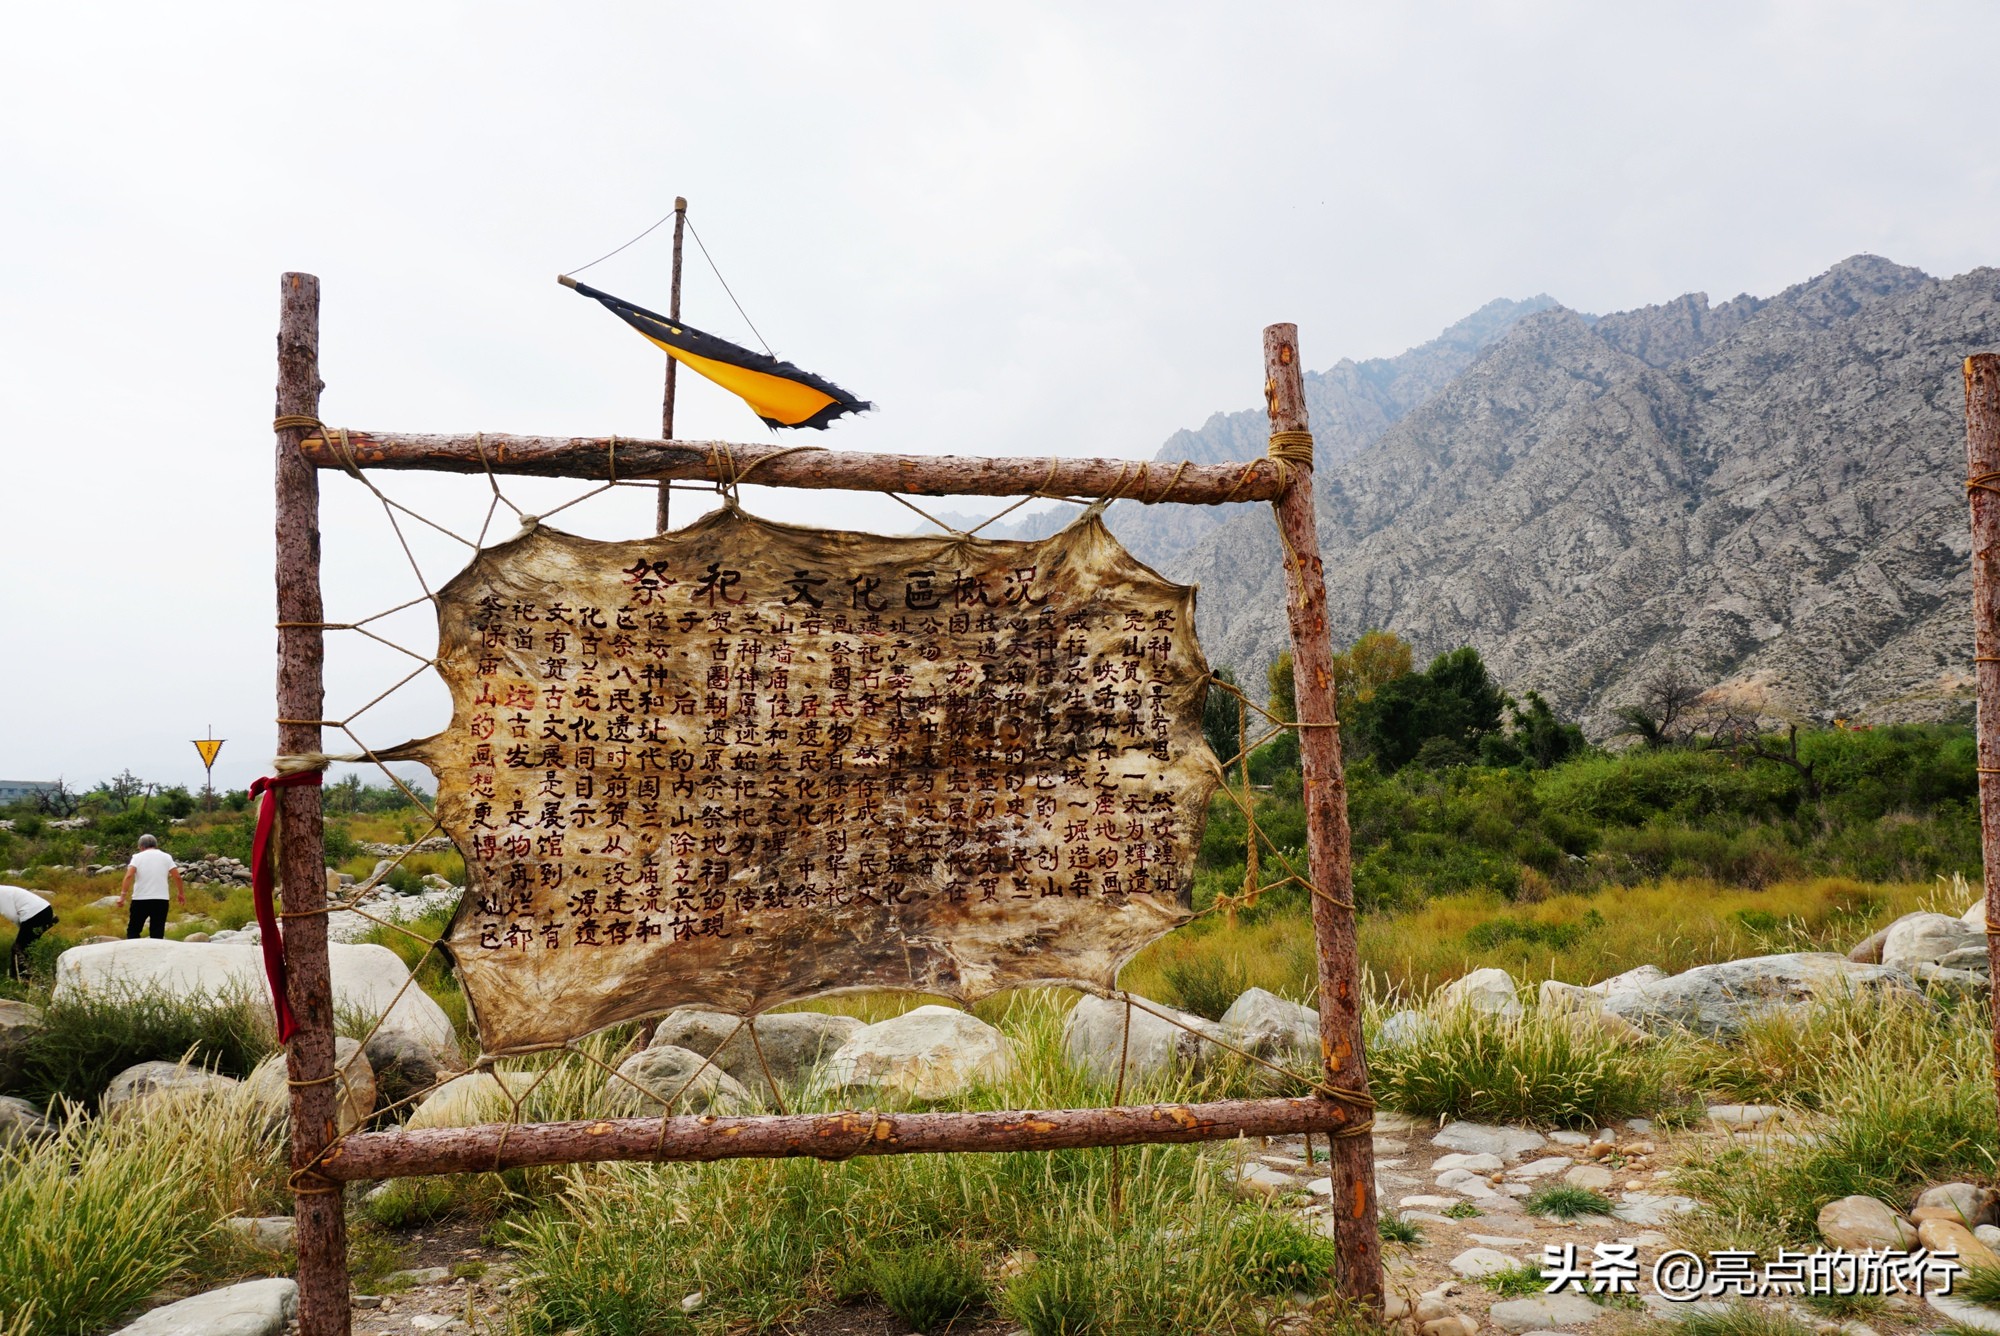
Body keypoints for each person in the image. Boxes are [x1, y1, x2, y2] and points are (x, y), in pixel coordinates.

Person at [118, 833, 185, 939]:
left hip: (140, 899)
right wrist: (180, 893)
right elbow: (177, 877)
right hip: (161, 899)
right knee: (157, 931)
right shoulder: (166, 857)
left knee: (133, 930)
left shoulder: (137, 857)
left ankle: (134, 949)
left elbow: (129, 876)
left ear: (141, 846)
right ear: (155, 845)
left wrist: (122, 896)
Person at [0, 884, 56, 980]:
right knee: (27, 947)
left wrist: (22, 929)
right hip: (44, 909)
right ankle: (29, 975)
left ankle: (20, 979)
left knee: (18, 948)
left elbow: (12, 915)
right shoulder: (4, 890)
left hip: (35, 914)